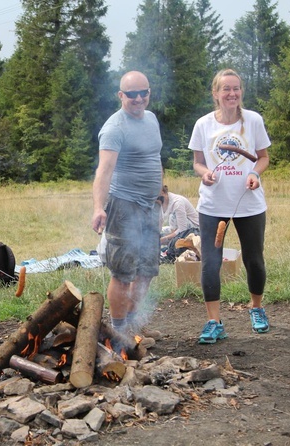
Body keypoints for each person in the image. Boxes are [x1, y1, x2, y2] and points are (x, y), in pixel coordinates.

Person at [189, 68, 271, 344]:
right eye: (226, 89)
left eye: (236, 89)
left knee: (254, 260)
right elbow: (198, 162)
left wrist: (254, 174)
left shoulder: (253, 121)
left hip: (249, 204)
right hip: (213, 205)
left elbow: (262, 158)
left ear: (241, 92)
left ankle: (256, 308)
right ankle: (214, 321)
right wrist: (204, 174)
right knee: (210, 263)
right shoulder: (203, 125)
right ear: (215, 93)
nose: (231, 94)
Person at [91, 71, 163, 341]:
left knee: (146, 271)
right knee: (123, 272)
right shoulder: (114, 128)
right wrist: (99, 207)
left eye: (143, 92)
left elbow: (155, 159)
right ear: (121, 95)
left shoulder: (152, 119)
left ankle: (134, 326)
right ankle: (118, 331)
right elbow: (104, 171)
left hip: (149, 206)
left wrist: (160, 195)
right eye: (132, 94)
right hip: (123, 206)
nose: (139, 98)